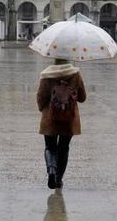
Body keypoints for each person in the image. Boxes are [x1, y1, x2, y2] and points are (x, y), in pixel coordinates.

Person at [36, 58, 87, 189]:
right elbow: (82, 97)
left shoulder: (46, 75)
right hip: (69, 119)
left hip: (50, 119)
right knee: (64, 149)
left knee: (50, 147)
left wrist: (44, 109)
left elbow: (41, 97)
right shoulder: (75, 75)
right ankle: (58, 180)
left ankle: (51, 171)